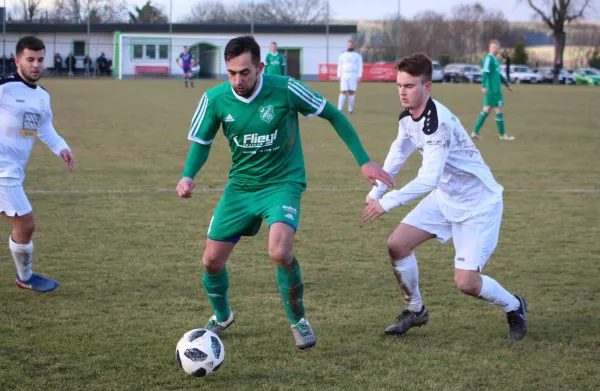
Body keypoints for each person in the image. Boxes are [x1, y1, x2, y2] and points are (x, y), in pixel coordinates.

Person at [176, 36, 392, 350]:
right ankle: (222, 316)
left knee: (279, 251)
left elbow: (334, 114)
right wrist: (188, 176)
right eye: (232, 73)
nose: (238, 79)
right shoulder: (215, 99)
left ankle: (298, 320)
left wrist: (364, 161)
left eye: (245, 72)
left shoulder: (287, 88)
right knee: (210, 261)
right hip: (240, 187)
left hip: (283, 184)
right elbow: (202, 144)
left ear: (260, 67)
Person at [362, 52, 527, 341]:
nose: (402, 91)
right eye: (399, 85)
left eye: (410, 86)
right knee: (397, 245)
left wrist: (387, 202)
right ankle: (415, 310)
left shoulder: (438, 123)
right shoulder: (407, 117)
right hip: (446, 197)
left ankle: (515, 306)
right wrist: (376, 190)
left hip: (478, 206)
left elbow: (429, 178)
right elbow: (398, 153)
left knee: (466, 283)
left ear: (427, 87)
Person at [0, 36, 75, 292]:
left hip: (14, 171)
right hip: (2, 170)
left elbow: (43, 126)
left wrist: (61, 147)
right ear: (17, 60)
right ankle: (25, 276)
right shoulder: (4, 87)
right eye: (30, 59)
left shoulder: (42, 96)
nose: (36, 65)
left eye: (40, 59)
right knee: (25, 222)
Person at [471, 40, 515, 141]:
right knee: (499, 110)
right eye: (493, 47)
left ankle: (475, 132)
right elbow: (485, 73)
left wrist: (506, 84)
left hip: (494, 89)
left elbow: (498, 75)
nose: (496, 49)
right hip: (493, 90)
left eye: (497, 47)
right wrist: (483, 86)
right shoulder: (488, 59)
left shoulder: (496, 60)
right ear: (490, 48)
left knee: (486, 110)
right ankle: (503, 135)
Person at [337, 40, 363, 114]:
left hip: (353, 75)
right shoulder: (342, 55)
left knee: (351, 92)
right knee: (343, 91)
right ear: (347, 46)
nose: (349, 46)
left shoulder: (357, 56)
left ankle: (350, 110)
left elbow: (360, 66)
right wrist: (339, 75)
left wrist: (359, 76)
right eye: (348, 45)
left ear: (353, 46)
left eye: (351, 45)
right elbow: (340, 66)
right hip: (344, 75)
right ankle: (339, 109)